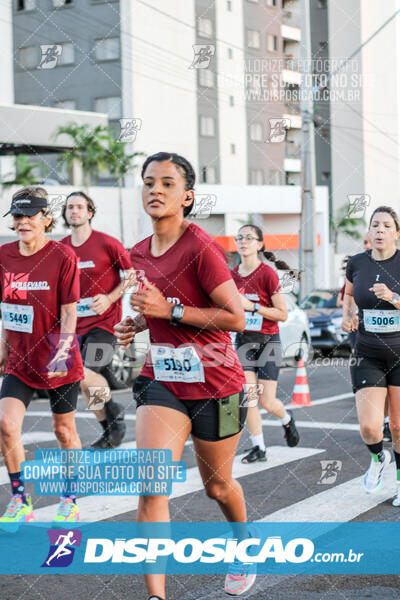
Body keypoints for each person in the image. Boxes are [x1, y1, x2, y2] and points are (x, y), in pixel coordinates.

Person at [114, 152, 256, 599]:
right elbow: (158, 310)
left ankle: (244, 545)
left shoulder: (202, 248)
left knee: (218, 486)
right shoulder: (137, 252)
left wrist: (169, 310)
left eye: (167, 184)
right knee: (152, 485)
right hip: (163, 381)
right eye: (148, 182)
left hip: (217, 385)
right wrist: (139, 322)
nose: (155, 190)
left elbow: (236, 319)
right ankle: (156, 595)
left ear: (187, 196)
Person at [0, 187, 84, 526]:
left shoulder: (63, 257)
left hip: (57, 361)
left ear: (46, 219)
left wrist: (62, 353)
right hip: (20, 361)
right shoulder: (3, 255)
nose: (22, 223)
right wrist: (4, 348)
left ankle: (70, 499)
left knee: (64, 431)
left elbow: (69, 312)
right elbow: (6, 308)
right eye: (17, 216)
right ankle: (20, 500)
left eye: (29, 216)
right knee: (6, 425)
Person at [61, 192, 134, 449]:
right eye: (70, 207)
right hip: (73, 327)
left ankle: (113, 411)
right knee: (85, 386)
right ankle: (111, 427)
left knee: (85, 374)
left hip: (104, 325)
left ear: (90, 212)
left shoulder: (107, 243)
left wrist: (111, 297)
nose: (74, 211)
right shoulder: (60, 248)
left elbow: (131, 276)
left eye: (80, 207)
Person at [342, 206, 400, 505]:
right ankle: (378, 458)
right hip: (368, 352)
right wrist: (347, 315)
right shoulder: (357, 263)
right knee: (369, 426)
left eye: (385, 225)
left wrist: (394, 298)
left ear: (396, 233)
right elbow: (349, 293)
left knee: (399, 427)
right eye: (374, 225)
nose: (379, 230)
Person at [231, 225, 299, 464]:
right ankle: (258, 447)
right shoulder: (231, 276)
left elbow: (282, 314)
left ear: (260, 244)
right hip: (244, 342)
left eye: (249, 238)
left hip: (269, 341)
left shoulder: (267, 274)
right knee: (248, 397)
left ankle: (286, 418)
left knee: (267, 401)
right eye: (239, 237)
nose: (243, 241)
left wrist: (252, 307)